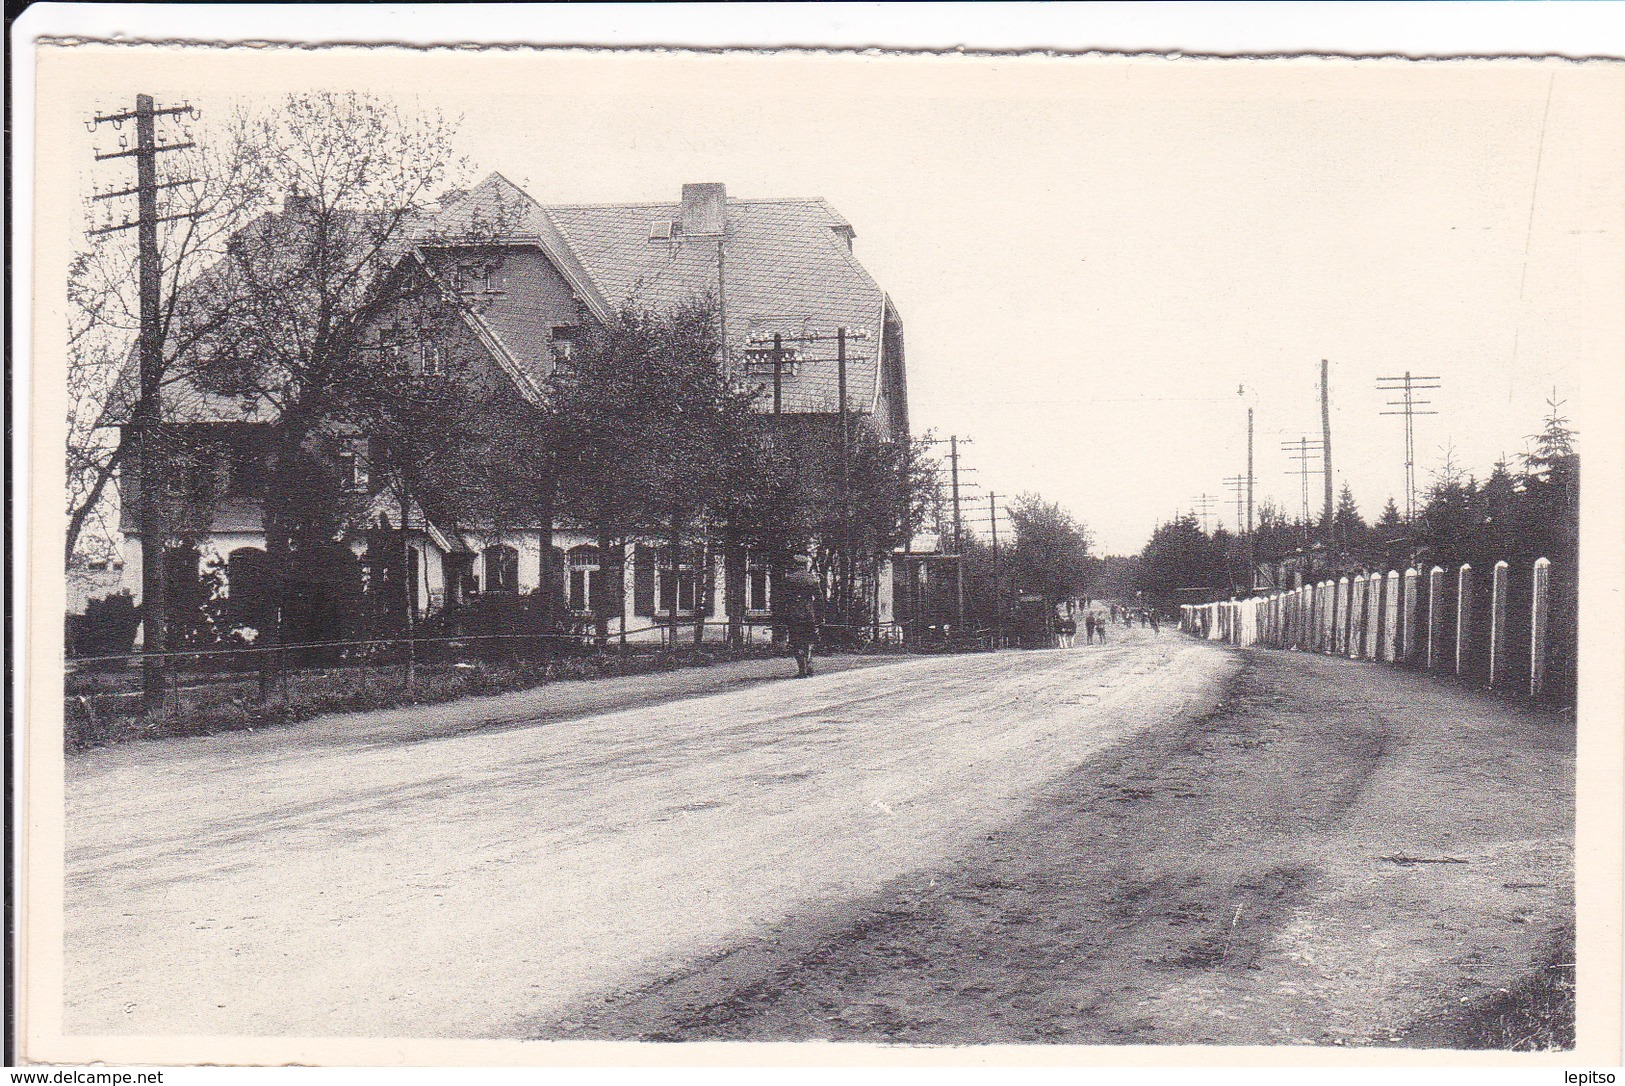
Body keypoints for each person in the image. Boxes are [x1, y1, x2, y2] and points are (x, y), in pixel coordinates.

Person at [785, 578, 823, 678]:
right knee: (809, 641)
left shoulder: (789, 579)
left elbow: (783, 598)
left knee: (795, 642)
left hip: (794, 616)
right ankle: (808, 664)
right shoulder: (812, 580)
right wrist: (816, 613)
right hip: (809, 615)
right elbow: (820, 599)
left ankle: (802, 668)